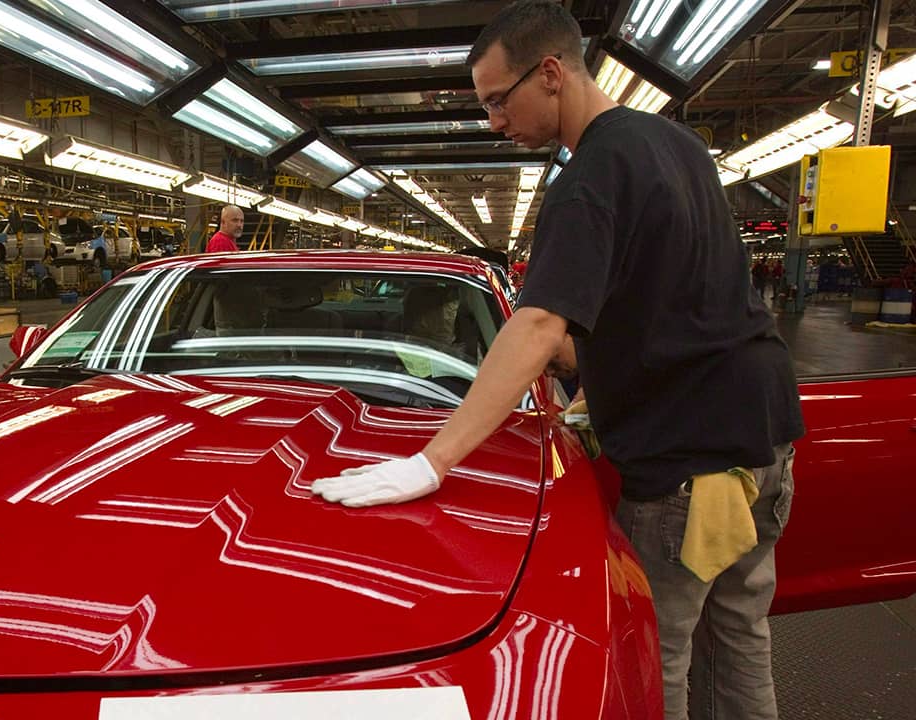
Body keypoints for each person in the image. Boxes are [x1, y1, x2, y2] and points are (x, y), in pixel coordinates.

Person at [309, 3, 804, 720]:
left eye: (496, 101)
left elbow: (539, 323)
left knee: (655, 654)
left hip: (689, 461)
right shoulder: (678, 145)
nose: (494, 123)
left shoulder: (589, 178)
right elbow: (667, 308)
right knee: (740, 636)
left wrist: (432, 461)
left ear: (549, 73)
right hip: (766, 438)